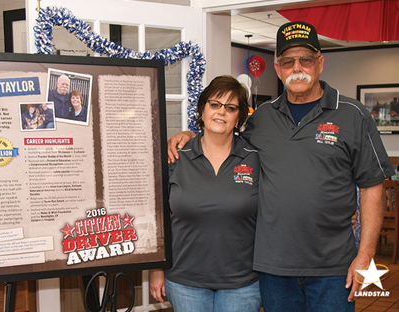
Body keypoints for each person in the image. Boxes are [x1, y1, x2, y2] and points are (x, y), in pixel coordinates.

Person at [167, 21, 394, 311]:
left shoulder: (353, 114)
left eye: (306, 59)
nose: (297, 67)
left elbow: (372, 184)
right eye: (288, 61)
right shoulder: (261, 119)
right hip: (273, 269)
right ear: (278, 69)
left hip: (334, 267)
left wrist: (366, 255)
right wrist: (189, 137)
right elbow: (222, 137)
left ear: (320, 63)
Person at [150, 76, 261, 311]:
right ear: (202, 109)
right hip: (184, 280)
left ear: (239, 116)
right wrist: (156, 269)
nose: (221, 112)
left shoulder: (256, 157)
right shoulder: (176, 156)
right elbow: (158, 217)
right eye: (214, 104)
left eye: (231, 108)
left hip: (242, 283)